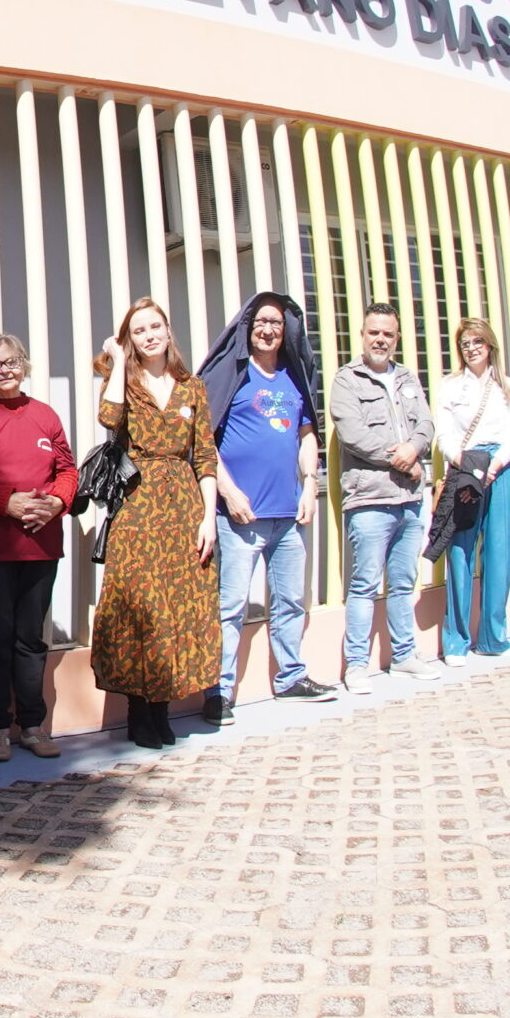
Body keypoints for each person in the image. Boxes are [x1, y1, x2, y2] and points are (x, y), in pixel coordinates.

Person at [197, 290, 335, 723]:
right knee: (230, 607)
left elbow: (306, 435)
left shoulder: (295, 379)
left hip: (288, 516)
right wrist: (229, 492)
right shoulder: (232, 377)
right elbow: (204, 443)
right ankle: (218, 692)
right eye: (261, 321)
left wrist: (311, 483)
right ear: (247, 327)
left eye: (276, 322)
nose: (269, 328)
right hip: (241, 517)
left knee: (291, 600)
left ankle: (291, 678)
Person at [95, 297, 225, 747]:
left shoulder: (192, 387)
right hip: (138, 502)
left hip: (184, 503)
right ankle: (138, 711)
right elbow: (108, 419)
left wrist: (209, 517)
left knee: (177, 605)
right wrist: (115, 361)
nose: (149, 335)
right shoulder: (124, 382)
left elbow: (205, 455)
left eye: (155, 327)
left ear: (169, 331)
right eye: (138, 331)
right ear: (130, 339)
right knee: (140, 606)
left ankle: (163, 708)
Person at [0, 332, 77, 762]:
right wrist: (6, 502)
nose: (5, 370)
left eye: (11, 362)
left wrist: (57, 503)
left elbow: (68, 469)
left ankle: (33, 724)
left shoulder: (45, 416)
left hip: (40, 546)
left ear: (24, 365)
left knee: (30, 639)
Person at [327, 302, 437, 689]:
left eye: (388, 334)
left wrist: (416, 447)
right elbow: (354, 434)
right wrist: (406, 459)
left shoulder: (407, 377)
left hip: (409, 500)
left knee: (404, 583)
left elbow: (425, 423)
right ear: (362, 334)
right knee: (364, 584)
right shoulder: (347, 380)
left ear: (397, 338)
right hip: (370, 500)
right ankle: (356, 665)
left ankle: (404, 655)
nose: (380, 339)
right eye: (374, 332)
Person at [432, 316, 510, 663]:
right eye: (465, 343)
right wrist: (463, 462)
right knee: (460, 552)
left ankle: (493, 636)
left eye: (476, 342)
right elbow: (444, 433)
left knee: (499, 553)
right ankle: (455, 640)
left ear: (490, 345)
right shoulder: (451, 386)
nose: (471, 349)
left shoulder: (506, 386)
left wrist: (496, 465)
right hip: (464, 467)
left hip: (500, 469)